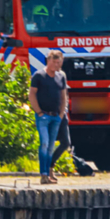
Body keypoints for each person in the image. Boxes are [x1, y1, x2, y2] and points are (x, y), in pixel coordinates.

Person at [29, 50, 68, 184]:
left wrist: (61, 114)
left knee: (51, 145)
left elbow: (63, 96)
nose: (58, 65)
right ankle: (43, 174)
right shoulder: (39, 75)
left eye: (60, 63)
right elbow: (32, 94)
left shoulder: (61, 76)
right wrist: (39, 111)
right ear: (49, 60)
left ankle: (48, 174)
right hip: (43, 116)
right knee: (44, 143)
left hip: (56, 116)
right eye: (55, 62)